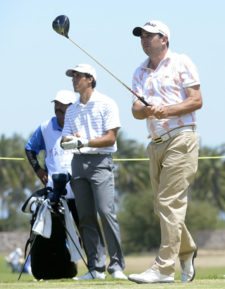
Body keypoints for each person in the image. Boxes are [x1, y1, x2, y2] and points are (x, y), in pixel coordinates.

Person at [128, 20, 203, 284]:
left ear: (164, 39)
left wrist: (168, 110)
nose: (145, 40)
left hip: (182, 137)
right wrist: (148, 109)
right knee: (162, 205)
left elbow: (196, 100)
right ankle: (186, 250)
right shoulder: (139, 71)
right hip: (155, 142)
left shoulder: (181, 62)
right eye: (142, 36)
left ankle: (163, 268)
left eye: (150, 36)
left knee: (170, 202)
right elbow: (135, 110)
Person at [60, 63, 127, 280]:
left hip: (100, 162)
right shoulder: (71, 109)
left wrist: (83, 141)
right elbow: (64, 141)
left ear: (90, 79)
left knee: (106, 212)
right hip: (78, 163)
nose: (74, 79)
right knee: (86, 216)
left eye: (78, 76)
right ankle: (96, 267)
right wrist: (73, 142)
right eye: (73, 76)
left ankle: (116, 266)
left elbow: (110, 137)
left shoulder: (107, 103)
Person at [25, 90, 79, 227]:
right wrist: (38, 170)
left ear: (73, 107)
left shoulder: (82, 126)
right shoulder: (45, 127)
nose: (58, 108)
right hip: (55, 194)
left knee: (85, 235)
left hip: (79, 193)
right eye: (56, 105)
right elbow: (30, 148)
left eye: (63, 105)